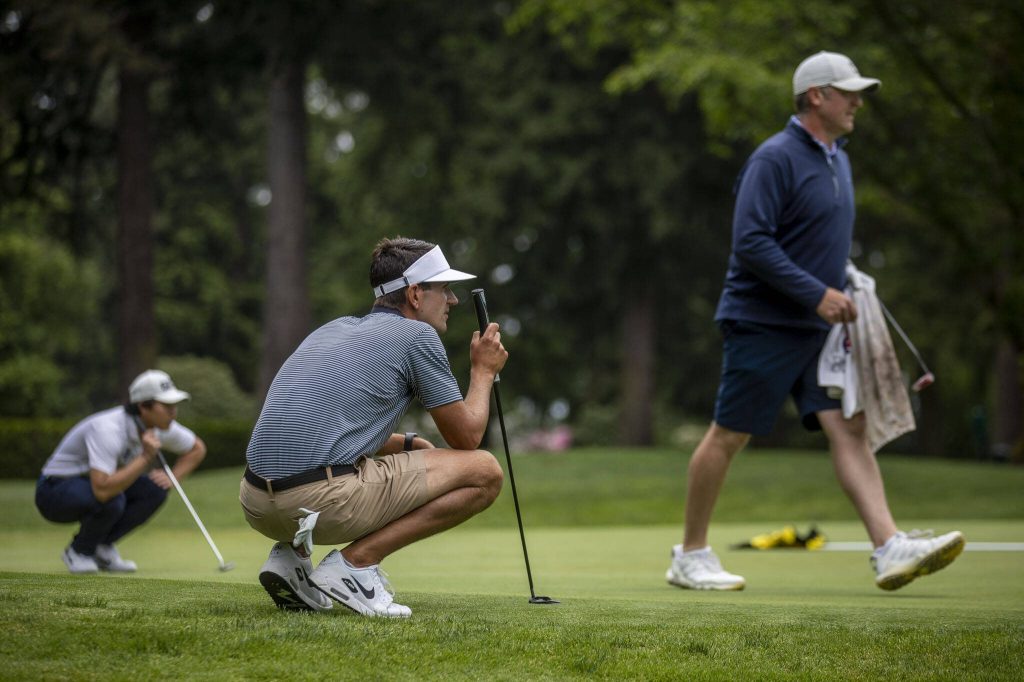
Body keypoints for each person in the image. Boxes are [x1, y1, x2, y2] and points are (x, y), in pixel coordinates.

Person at [665, 51, 964, 592]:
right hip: (762, 321)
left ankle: (889, 546)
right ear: (815, 96)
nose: (857, 102)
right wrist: (815, 292)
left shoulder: (837, 159)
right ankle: (690, 554)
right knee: (730, 433)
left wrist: (843, 279)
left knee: (849, 428)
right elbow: (751, 241)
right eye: (847, 92)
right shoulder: (774, 158)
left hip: (819, 328)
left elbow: (813, 239)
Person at [241, 237, 507, 617]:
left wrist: (407, 443)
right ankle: (355, 565)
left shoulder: (331, 330)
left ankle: (291, 560)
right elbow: (467, 438)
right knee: (485, 472)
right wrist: (482, 371)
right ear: (415, 294)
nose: (453, 301)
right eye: (445, 289)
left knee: (407, 458)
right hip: (324, 503)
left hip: (256, 504)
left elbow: (332, 428)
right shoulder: (417, 336)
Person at [35, 369, 207, 574]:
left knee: (155, 490)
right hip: (54, 491)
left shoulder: (159, 425)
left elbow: (197, 449)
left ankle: (102, 546)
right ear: (143, 406)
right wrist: (145, 457)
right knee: (113, 498)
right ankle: (79, 551)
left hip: (91, 485)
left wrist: (173, 477)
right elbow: (102, 490)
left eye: (174, 405)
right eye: (167, 405)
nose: (173, 411)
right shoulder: (108, 429)